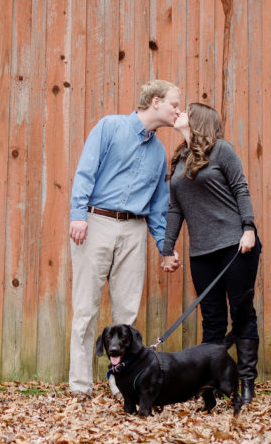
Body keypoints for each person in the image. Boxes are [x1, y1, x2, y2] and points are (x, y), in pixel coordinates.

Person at [68, 79, 182, 395]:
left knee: (127, 314)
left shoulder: (159, 152)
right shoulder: (110, 127)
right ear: (156, 102)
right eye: (174, 103)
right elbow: (85, 172)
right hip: (96, 221)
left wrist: (165, 247)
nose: (178, 110)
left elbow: (160, 206)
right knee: (85, 310)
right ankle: (79, 387)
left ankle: (121, 385)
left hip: (134, 229)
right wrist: (78, 215)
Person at [158, 102, 261, 404]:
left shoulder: (222, 150)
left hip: (236, 245)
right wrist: (167, 248)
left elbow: (241, 189)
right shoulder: (179, 159)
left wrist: (249, 228)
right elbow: (175, 208)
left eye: (185, 111)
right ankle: (211, 386)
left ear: (199, 121)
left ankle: (246, 384)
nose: (179, 113)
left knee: (242, 314)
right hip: (202, 252)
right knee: (212, 319)